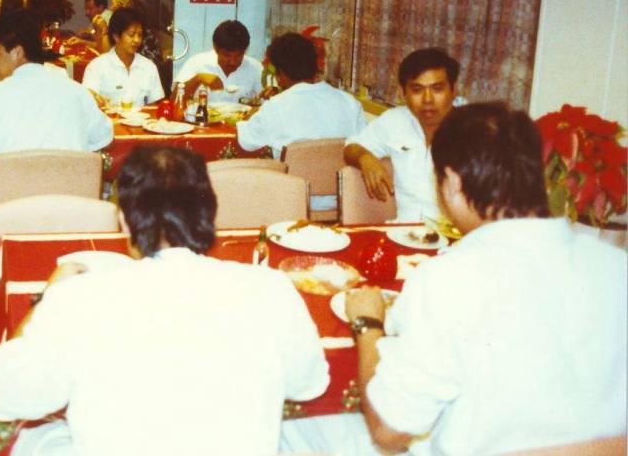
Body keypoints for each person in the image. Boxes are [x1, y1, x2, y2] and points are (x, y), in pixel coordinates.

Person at [282, 102, 628, 455]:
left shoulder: (447, 279)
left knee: (288, 427)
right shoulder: (616, 266)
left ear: (453, 183)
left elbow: (389, 430)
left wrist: (367, 323)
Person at [0, 145, 330, 456]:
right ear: (210, 215)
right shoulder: (271, 287)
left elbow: (0, 396)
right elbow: (309, 384)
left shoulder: (76, 299)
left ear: (122, 222)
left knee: (34, 436)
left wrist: (45, 297)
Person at [0, 11, 113, 259]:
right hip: (73, 204)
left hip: (12, 208)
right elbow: (104, 138)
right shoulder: (77, 91)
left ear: (17, 52)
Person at [344, 48, 459, 221]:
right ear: (402, 93)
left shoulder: (474, 129)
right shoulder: (395, 121)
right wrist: (364, 157)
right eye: (417, 90)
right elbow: (351, 147)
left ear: (454, 90)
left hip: (455, 233)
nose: (428, 99)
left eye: (437, 89)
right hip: (404, 230)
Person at [236, 31, 365, 162]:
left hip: (292, 176)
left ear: (280, 73)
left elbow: (247, 142)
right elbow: (364, 149)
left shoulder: (276, 107)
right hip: (338, 175)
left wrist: (248, 116)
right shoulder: (351, 103)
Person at [82, 7, 164, 109]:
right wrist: (94, 99)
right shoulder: (97, 66)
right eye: (131, 35)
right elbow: (87, 100)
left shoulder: (149, 67)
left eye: (140, 35)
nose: (137, 40)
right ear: (116, 36)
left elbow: (155, 106)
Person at [175, 20, 264, 103]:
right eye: (227, 55)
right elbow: (174, 100)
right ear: (215, 48)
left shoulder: (255, 67)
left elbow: (266, 102)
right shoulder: (196, 63)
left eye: (238, 55)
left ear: (245, 50)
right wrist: (197, 79)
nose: (232, 62)